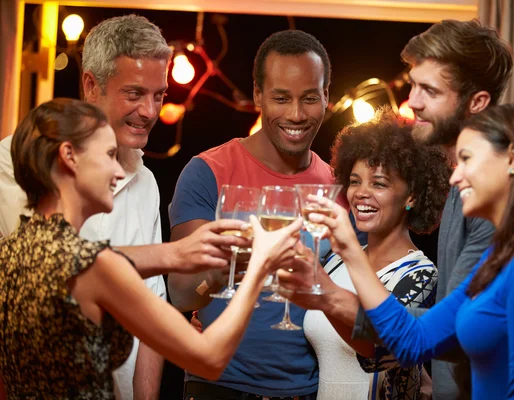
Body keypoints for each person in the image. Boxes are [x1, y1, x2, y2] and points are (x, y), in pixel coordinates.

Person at [0, 98, 303, 400]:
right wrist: (259, 266)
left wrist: (180, 253)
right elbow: (209, 358)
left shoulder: (14, 250)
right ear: (69, 157)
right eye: (109, 155)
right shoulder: (95, 266)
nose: (119, 173)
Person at [0, 14, 230, 400]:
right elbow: (39, 265)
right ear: (91, 85)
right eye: (135, 93)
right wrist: (175, 255)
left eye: (159, 95)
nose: (151, 111)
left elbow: (152, 311)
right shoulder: (11, 164)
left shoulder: (146, 181)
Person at [301, 104, 514, 399]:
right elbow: (414, 340)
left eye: (466, 160)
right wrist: (349, 251)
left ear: (511, 160)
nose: (454, 178)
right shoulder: (499, 256)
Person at [168, 30, 337, 399]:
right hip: (218, 385)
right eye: (281, 98)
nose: (296, 114)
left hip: (307, 390)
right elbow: (181, 294)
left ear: (326, 97)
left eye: (309, 98)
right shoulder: (207, 172)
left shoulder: (336, 187)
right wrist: (236, 263)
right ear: (258, 94)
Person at [358, 19, 513, 399]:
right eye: (413, 84)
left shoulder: (498, 191)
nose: (412, 101)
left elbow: (464, 333)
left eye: (429, 90)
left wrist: (330, 293)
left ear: (476, 103)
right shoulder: (462, 183)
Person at [285, 107, 450, 399]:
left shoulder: (421, 275)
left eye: (379, 183)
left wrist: (324, 293)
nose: (361, 192)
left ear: (412, 195)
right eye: (355, 180)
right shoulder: (335, 262)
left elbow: (384, 346)